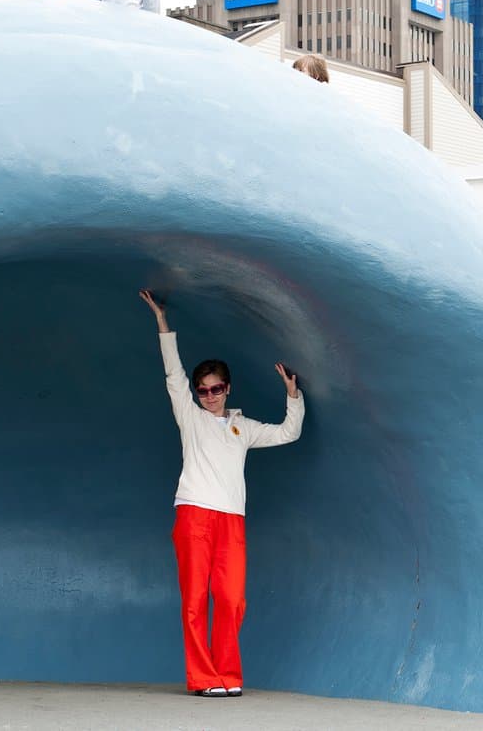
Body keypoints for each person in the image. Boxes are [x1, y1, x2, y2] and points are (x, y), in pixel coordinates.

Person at [138, 288, 304, 698]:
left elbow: (288, 432)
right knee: (195, 601)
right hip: (194, 514)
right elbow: (173, 374)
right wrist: (162, 322)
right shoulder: (190, 417)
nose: (208, 396)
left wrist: (293, 394)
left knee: (231, 600)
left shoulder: (243, 427)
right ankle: (202, 678)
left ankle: (227, 676)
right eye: (203, 390)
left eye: (215, 389)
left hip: (231, 519)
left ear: (228, 388)